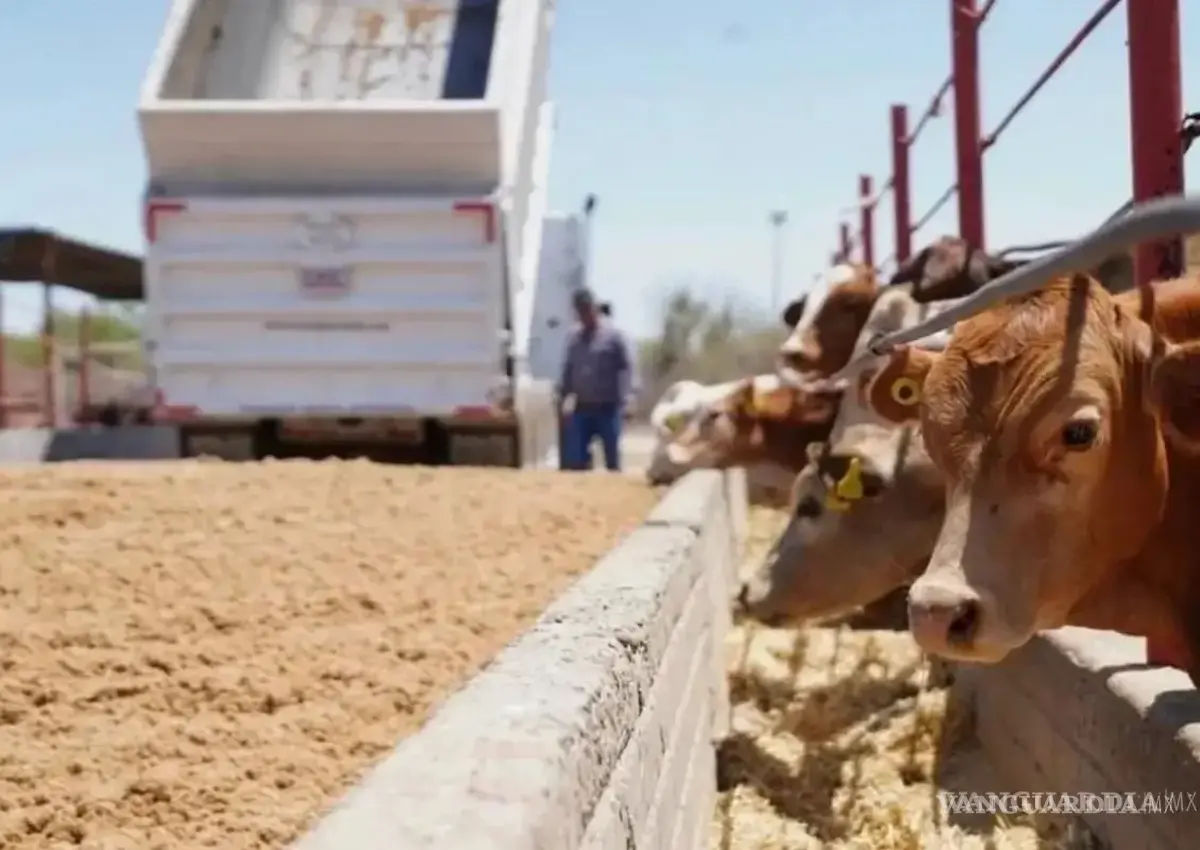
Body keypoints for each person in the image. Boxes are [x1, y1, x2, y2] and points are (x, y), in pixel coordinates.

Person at [557, 289, 635, 471]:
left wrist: (629, 398)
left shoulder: (614, 337)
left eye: (587, 309)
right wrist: (563, 397)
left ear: (595, 309)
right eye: (580, 311)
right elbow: (568, 370)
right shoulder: (573, 339)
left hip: (608, 409)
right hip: (582, 408)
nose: (584, 315)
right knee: (574, 460)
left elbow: (627, 369)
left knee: (612, 460)